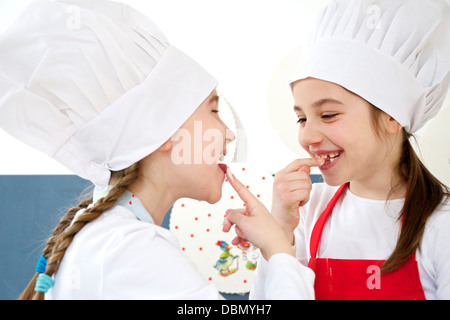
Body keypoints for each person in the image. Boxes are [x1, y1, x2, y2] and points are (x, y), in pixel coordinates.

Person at [0, 0, 314, 299]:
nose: (229, 134)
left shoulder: (110, 237)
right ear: (162, 133)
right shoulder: (131, 251)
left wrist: (278, 242)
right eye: (214, 111)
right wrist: (277, 245)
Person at [245, 0, 450, 299]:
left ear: (393, 116)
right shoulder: (307, 210)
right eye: (302, 118)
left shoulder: (441, 223)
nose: (308, 136)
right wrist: (279, 232)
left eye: (328, 115)